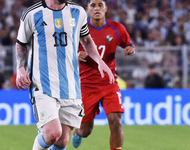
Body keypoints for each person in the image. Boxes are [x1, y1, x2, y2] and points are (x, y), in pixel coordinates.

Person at [15, 0, 115, 150]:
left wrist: (99, 61)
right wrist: (21, 69)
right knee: (52, 134)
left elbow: (86, 39)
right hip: (43, 84)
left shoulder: (78, 12)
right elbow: (21, 44)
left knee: (62, 141)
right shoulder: (32, 14)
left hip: (70, 86)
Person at [71, 0, 135, 150]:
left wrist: (130, 49)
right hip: (87, 85)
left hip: (109, 83)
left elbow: (129, 44)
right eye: (93, 5)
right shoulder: (78, 29)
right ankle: (78, 133)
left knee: (116, 121)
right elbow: (63, 51)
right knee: (85, 131)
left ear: (106, 8)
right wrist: (75, 54)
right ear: (87, 9)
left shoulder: (117, 28)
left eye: (100, 5)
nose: (97, 8)